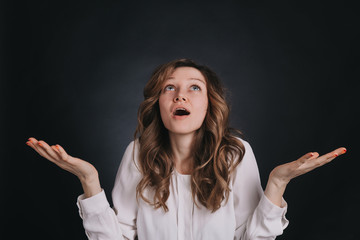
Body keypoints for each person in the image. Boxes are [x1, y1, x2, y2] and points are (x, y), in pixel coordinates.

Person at [26, 58, 347, 240]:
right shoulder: (138, 155)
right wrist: (90, 183)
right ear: (159, 103)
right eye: (170, 88)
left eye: (195, 87)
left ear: (209, 104)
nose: (181, 96)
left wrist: (276, 184)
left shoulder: (236, 153)